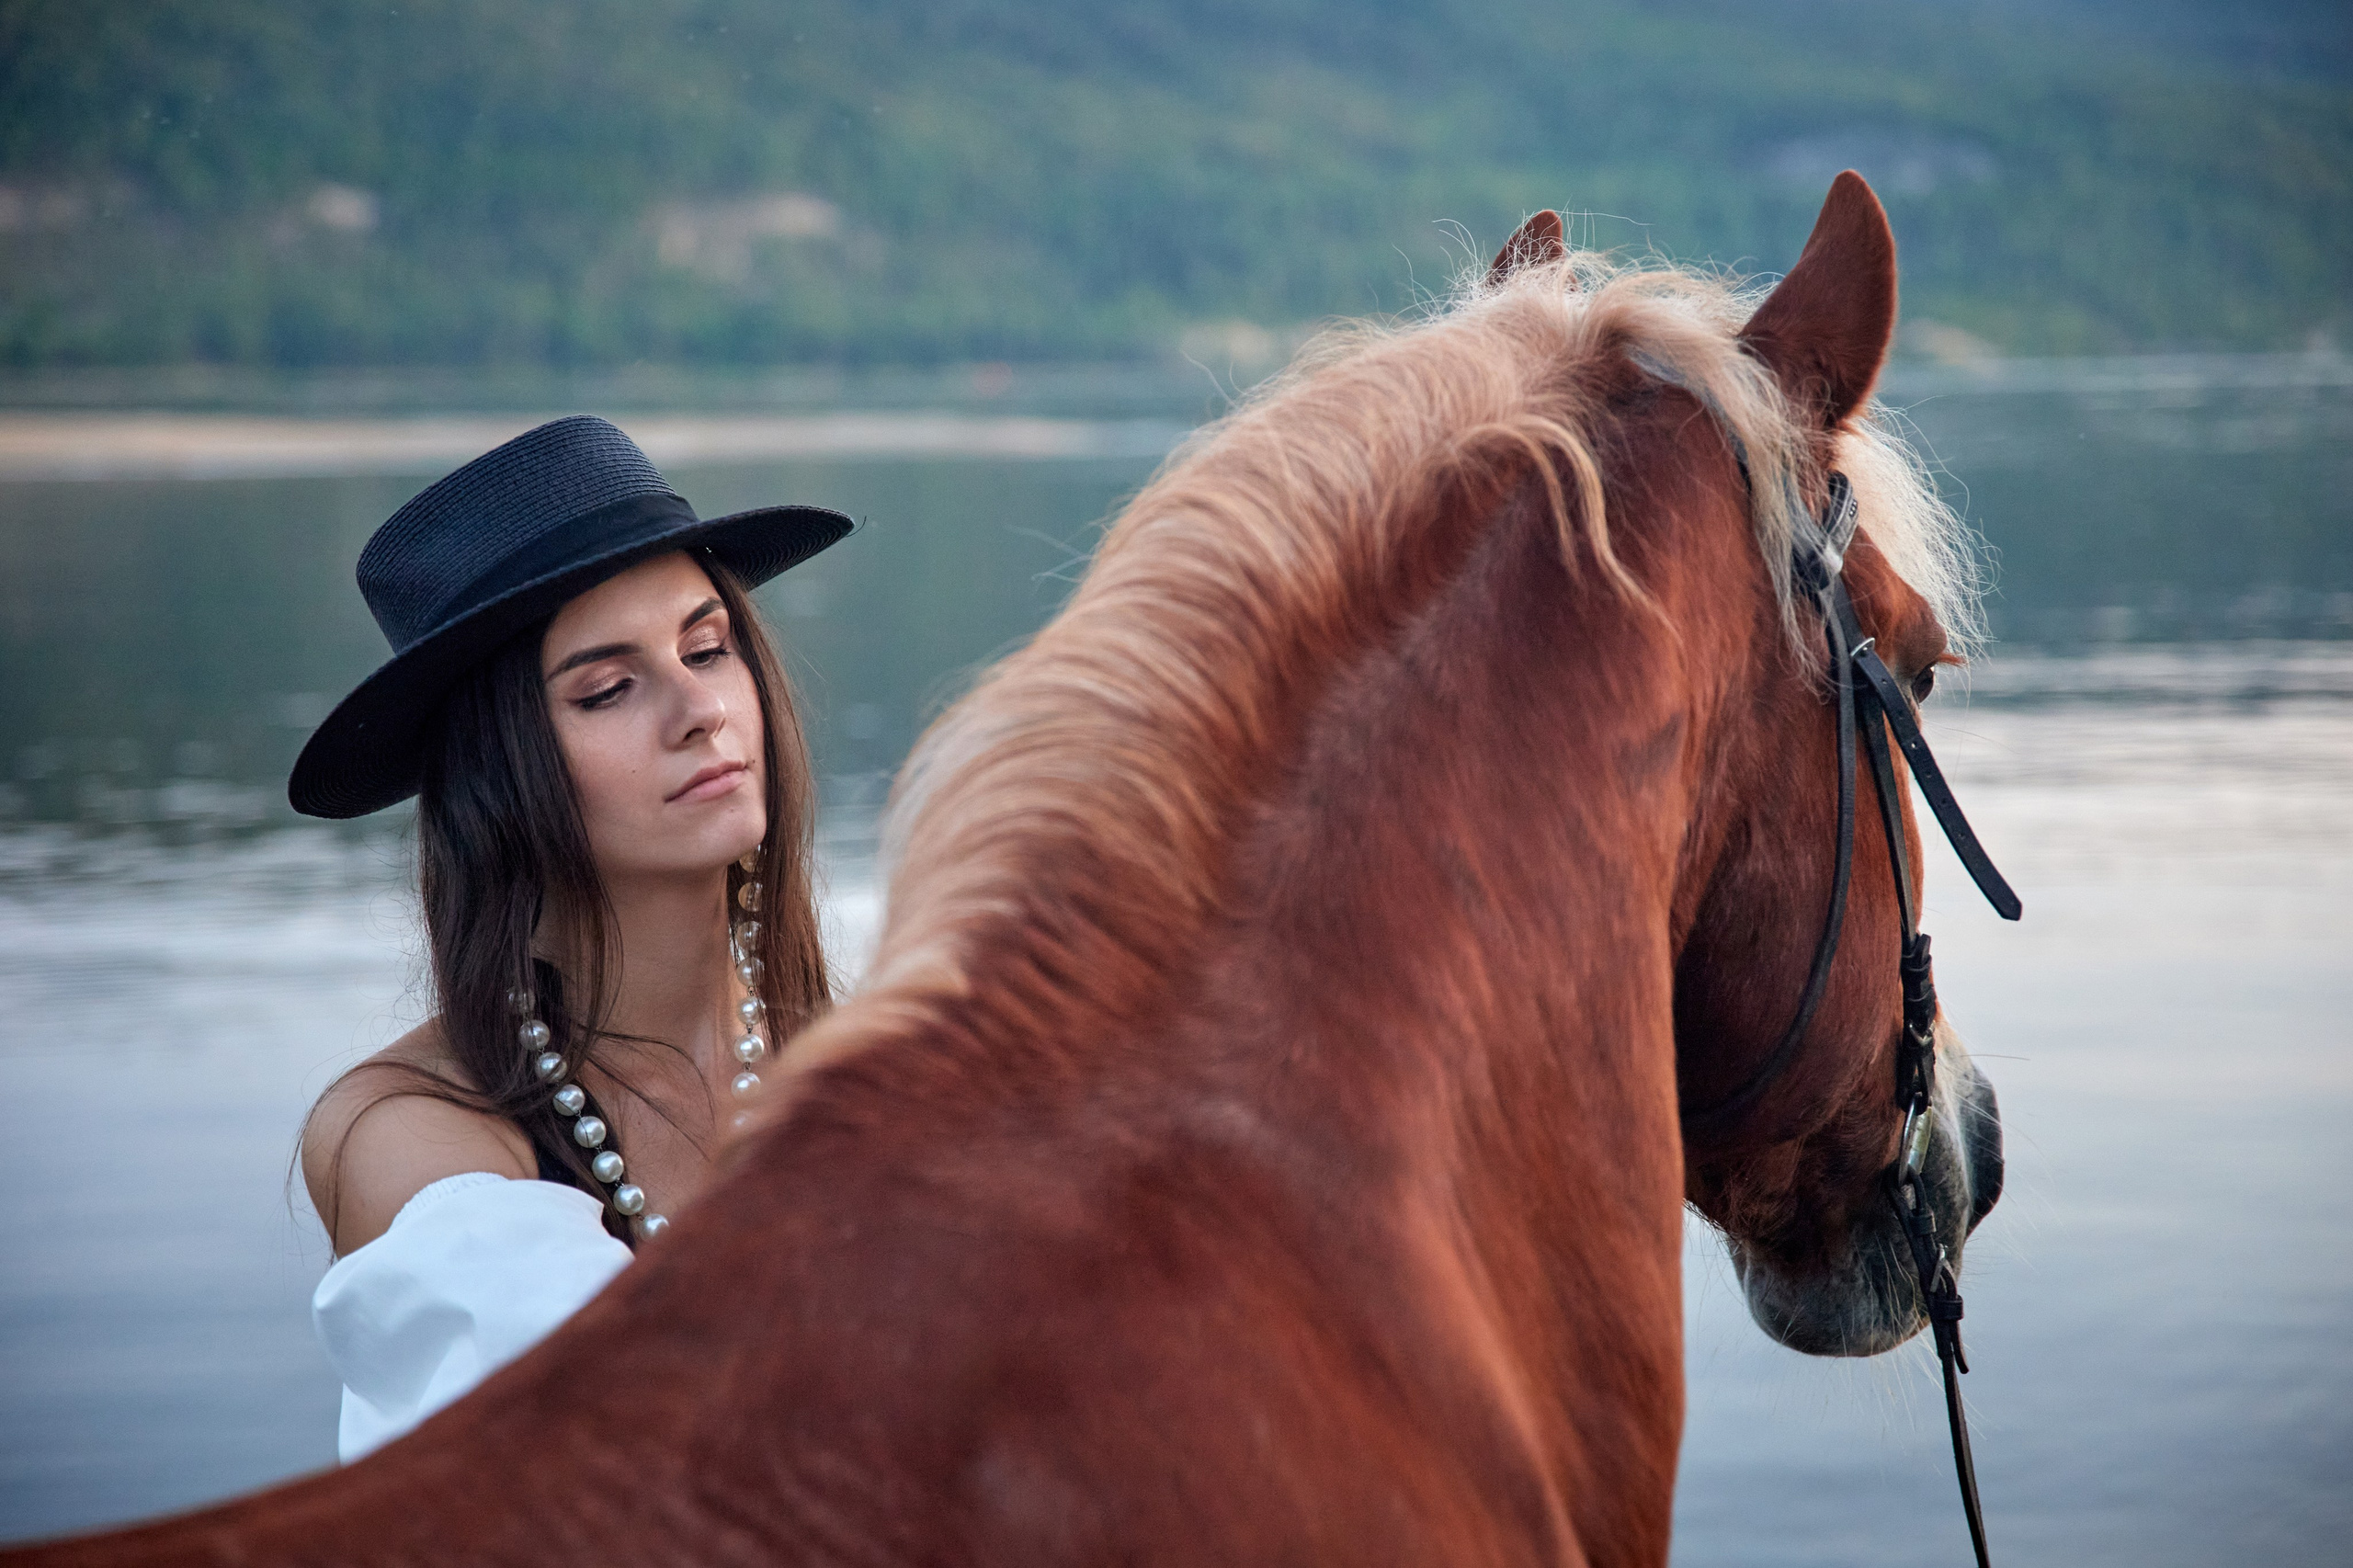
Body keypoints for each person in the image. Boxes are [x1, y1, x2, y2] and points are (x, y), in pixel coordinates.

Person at [290, 415, 851, 1460]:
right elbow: (612, 1457)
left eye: (707, 645)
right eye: (607, 687)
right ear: (495, 773)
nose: (700, 710)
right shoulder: (414, 1134)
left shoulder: (867, 1054)